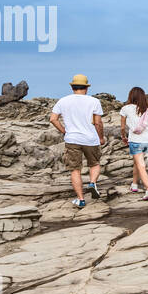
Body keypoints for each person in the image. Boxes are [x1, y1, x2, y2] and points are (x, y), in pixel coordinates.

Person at [49, 73, 105, 209]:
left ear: (72, 87)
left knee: (75, 170)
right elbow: (98, 123)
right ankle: (92, 183)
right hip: (90, 139)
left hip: (72, 139)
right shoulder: (94, 101)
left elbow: (53, 119)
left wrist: (64, 131)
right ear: (86, 88)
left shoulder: (63, 101)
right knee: (95, 163)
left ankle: (80, 199)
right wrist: (101, 137)